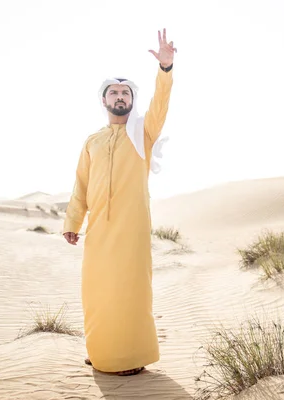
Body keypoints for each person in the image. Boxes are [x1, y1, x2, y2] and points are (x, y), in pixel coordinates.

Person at [62, 28, 176, 376]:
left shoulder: (142, 134)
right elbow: (80, 185)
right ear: (104, 100)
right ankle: (100, 352)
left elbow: (159, 105)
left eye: (126, 92)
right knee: (97, 292)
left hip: (131, 229)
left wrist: (165, 70)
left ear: (131, 100)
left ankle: (129, 357)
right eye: (114, 92)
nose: (120, 97)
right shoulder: (92, 141)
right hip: (98, 230)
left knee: (130, 292)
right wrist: (72, 223)